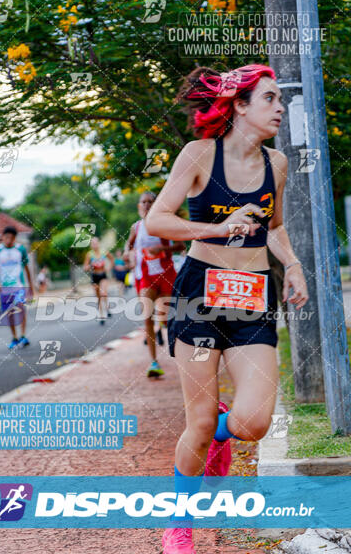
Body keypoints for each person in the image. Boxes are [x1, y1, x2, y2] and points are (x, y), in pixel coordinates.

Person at [145, 64, 309, 553]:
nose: (280, 108)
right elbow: (158, 220)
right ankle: (180, 523)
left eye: (279, 100)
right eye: (270, 99)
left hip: (253, 294)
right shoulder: (198, 154)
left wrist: (293, 265)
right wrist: (219, 228)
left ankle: (218, 431)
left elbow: (273, 227)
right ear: (239, 105)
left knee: (253, 423)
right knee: (193, 423)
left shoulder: (277, 164)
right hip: (199, 294)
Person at [124, 192, 186, 377]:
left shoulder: (165, 223)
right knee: (147, 317)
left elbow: (181, 246)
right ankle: (153, 362)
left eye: (151, 202)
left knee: (168, 319)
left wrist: (163, 249)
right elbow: (128, 245)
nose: (147, 205)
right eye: (143, 202)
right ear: (139, 206)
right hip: (145, 276)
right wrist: (127, 254)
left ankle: (182, 356)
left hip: (166, 274)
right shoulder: (136, 227)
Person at [0, 226, 35, 349]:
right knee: (9, 313)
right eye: (6, 237)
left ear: (15, 238)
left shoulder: (20, 250)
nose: (8, 239)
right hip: (4, 288)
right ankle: (14, 337)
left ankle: (23, 335)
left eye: (11, 237)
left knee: (21, 309)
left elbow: (27, 268)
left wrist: (30, 287)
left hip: (19, 285)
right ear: (2, 237)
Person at [83, 237, 114, 324]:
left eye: (96, 243)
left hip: (103, 275)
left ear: (99, 243)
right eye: (93, 243)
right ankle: (102, 315)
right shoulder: (89, 254)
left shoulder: (104, 252)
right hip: (94, 276)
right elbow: (85, 267)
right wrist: (90, 266)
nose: (95, 245)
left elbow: (112, 259)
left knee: (103, 293)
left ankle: (107, 308)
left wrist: (109, 268)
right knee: (98, 297)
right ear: (90, 245)